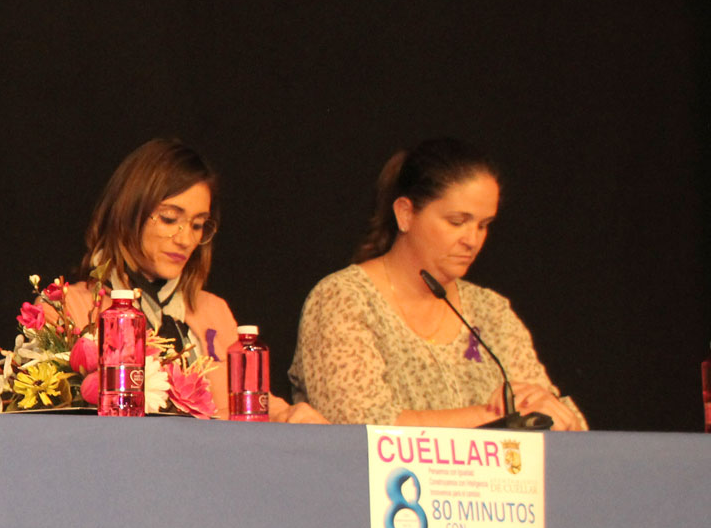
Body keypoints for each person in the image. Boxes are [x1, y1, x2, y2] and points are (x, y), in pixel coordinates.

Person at [290, 139, 585, 428]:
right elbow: (359, 422)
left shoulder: (491, 312)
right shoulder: (344, 299)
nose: (472, 240)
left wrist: (555, 419)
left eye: (483, 225)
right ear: (405, 214)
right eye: (457, 222)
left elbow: (557, 415)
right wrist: (496, 418)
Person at [60, 139, 323, 420]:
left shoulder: (213, 311)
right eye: (170, 219)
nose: (186, 239)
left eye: (198, 225)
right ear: (127, 213)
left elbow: (253, 405)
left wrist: (289, 417)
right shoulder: (70, 308)